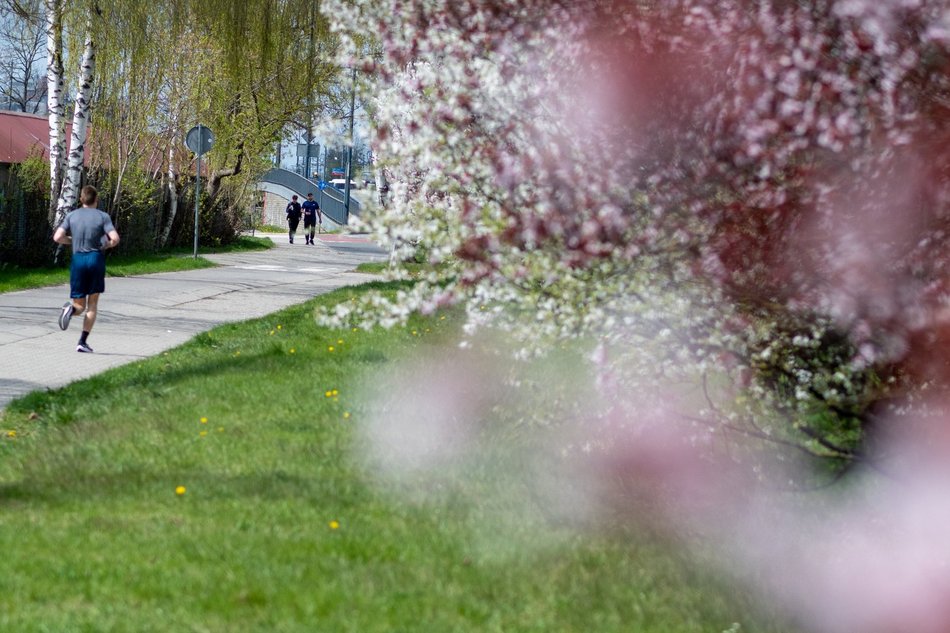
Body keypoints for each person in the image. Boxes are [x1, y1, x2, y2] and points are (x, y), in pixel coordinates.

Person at [52, 185, 121, 353]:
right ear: (96, 199)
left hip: (78, 261)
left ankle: (70, 309)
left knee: (79, 305)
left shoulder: (71, 216)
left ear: (81, 199)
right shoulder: (103, 217)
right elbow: (115, 238)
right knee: (92, 305)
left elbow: (57, 237)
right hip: (95, 259)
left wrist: (72, 240)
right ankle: (82, 342)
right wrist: (105, 245)